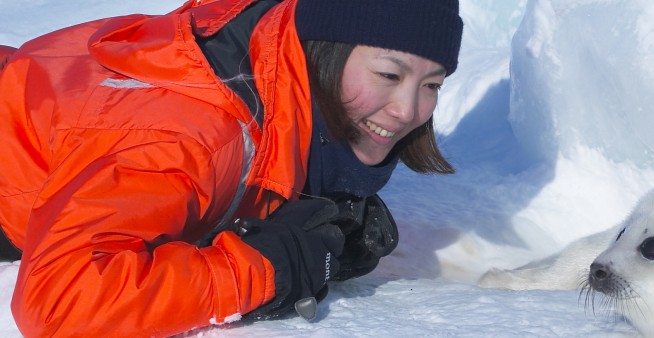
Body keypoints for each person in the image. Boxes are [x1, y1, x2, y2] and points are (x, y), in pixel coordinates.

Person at [0, 0, 463, 336]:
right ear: (326, 49)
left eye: (432, 84)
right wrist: (265, 268)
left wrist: (313, 199)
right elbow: (60, 302)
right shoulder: (188, 137)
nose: (408, 110)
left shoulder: (270, 59)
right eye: (389, 75)